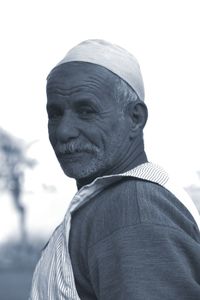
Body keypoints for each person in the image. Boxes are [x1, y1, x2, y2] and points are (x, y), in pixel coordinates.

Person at [29, 39, 200, 300]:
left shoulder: (132, 210)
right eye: (55, 113)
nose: (63, 131)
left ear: (135, 118)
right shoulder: (116, 202)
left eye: (86, 111)